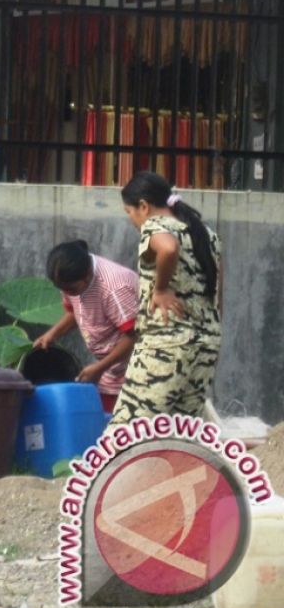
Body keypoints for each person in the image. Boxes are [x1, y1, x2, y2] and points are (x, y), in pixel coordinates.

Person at [111, 172, 222, 425]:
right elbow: (216, 295)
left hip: (166, 345)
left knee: (129, 433)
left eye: (129, 212)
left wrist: (159, 290)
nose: (131, 219)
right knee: (179, 435)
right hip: (206, 344)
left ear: (143, 206)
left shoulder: (156, 226)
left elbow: (168, 248)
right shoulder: (207, 235)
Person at [34, 240, 138, 413]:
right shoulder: (69, 280)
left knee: (127, 429)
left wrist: (99, 368)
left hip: (137, 366)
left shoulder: (113, 288)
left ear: (88, 274)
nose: (66, 293)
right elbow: (76, 311)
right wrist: (52, 335)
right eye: (61, 288)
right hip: (111, 368)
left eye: (71, 289)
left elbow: (134, 336)